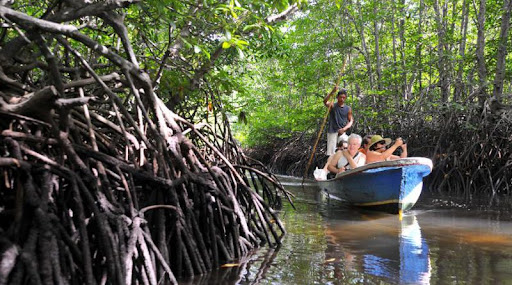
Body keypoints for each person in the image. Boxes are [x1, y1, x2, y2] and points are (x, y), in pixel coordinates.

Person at [324, 86, 354, 156]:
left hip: (342, 132)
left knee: (346, 147)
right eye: (340, 97)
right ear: (337, 97)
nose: (342, 99)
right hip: (332, 131)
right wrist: (332, 92)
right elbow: (325, 101)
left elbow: (351, 121)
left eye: (344, 97)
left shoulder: (348, 108)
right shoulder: (332, 106)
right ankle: (330, 165)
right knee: (331, 153)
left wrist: (344, 129)